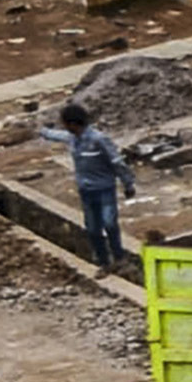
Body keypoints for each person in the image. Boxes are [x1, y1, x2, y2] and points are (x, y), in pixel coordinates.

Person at [40, 101, 134, 273]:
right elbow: (56, 135)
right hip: (86, 191)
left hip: (104, 189)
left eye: (66, 124)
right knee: (92, 229)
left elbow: (117, 162)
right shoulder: (73, 139)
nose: (65, 127)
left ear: (73, 124)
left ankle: (120, 258)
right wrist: (44, 131)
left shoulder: (99, 140)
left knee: (110, 223)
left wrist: (128, 183)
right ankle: (104, 263)